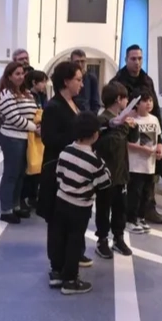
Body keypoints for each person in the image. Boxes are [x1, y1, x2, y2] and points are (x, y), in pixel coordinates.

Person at [37, 61, 94, 268]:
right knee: (57, 219)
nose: (82, 84)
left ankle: (74, 253)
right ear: (66, 81)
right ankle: (58, 264)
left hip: (73, 168)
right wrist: (79, 136)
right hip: (58, 169)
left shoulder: (74, 103)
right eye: (78, 80)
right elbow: (49, 139)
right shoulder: (53, 107)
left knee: (73, 216)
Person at [48, 112, 111, 295]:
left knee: (59, 237)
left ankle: (56, 272)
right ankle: (70, 280)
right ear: (95, 135)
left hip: (61, 201)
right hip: (80, 207)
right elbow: (105, 182)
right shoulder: (94, 161)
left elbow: (59, 174)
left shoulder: (66, 151)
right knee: (74, 241)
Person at [111, 44, 162, 225]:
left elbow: (156, 110)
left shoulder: (147, 80)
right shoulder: (118, 81)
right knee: (130, 177)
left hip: (149, 131)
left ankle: (148, 208)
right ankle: (126, 211)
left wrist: (159, 140)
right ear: (126, 60)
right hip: (127, 131)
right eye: (133, 59)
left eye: (140, 58)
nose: (137, 62)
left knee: (150, 171)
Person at [94, 82, 137, 257]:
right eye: (125, 98)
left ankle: (118, 238)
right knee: (104, 207)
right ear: (119, 99)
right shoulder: (102, 120)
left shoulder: (122, 119)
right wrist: (123, 126)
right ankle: (102, 239)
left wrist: (133, 126)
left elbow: (133, 139)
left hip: (121, 171)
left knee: (120, 208)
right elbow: (109, 144)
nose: (127, 102)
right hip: (105, 172)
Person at [0, 61, 38, 224]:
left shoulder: (26, 93)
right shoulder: (6, 94)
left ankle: (16, 206)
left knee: (21, 174)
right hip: (12, 138)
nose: (21, 77)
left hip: (26, 138)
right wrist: (34, 127)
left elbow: (34, 111)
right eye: (17, 74)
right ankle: (6, 210)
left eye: (22, 73)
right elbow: (13, 117)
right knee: (11, 174)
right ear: (9, 76)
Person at [126, 89, 162, 234]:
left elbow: (158, 138)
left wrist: (159, 149)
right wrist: (142, 149)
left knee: (146, 193)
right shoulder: (131, 121)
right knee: (134, 193)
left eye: (150, 101)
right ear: (136, 103)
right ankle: (130, 220)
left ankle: (141, 217)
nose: (148, 104)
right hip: (135, 165)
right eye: (145, 101)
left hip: (150, 165)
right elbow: (126, 143)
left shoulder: (154, 119)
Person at [20, 70, 49, 210]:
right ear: (34, 82)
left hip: (39, 133)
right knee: (30, 167)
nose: (44, 85)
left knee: (38, 167)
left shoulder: (42, 95)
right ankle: (23, 198)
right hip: (30, 134)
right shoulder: (28, 96)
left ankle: (33, 196)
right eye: (42, 82)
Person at [69, 49, 100, 114]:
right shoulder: (68, 78)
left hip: (87, 114)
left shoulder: (91, 78)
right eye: (77, 62)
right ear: (71, 62)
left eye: (82, 61)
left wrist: (91, 116)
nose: (80, 64)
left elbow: (95, 101)